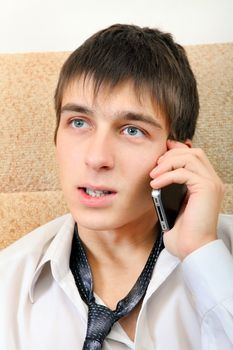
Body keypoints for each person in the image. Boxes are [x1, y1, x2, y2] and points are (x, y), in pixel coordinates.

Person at [0, 23, 233, 350]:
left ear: (177, 156)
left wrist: (201, 252)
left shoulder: (223, 260)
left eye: (132, 130)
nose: (97, 158)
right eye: (78, 123)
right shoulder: (7, 285)